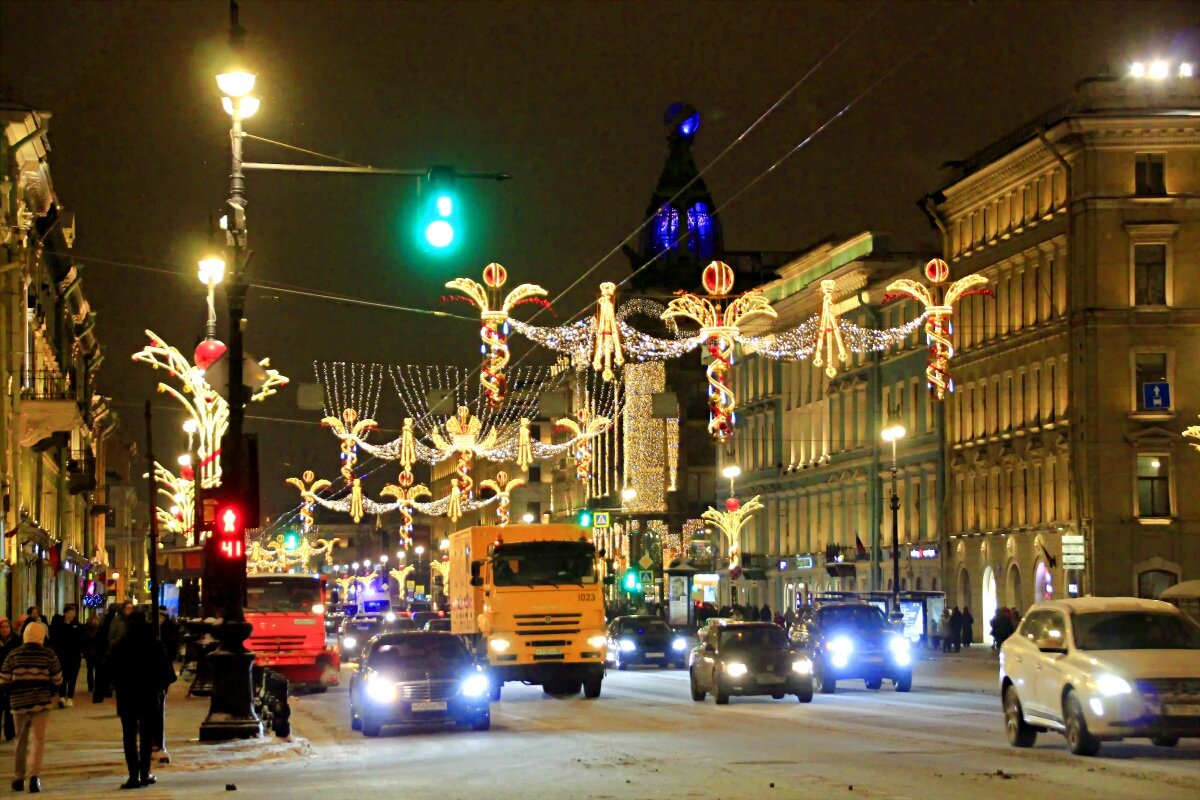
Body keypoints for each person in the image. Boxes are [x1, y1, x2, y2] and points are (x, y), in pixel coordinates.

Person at [108, 612, 174, 789]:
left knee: (129, 736)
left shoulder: (121, 645)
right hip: (148, 696)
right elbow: (166, 672)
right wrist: (160, 689)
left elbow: (110, 669)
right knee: (146, 735)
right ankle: (145, 773)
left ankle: (133, 775)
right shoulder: (153, 644)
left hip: (127, 696)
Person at [0, 622, 62, 793]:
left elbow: (4, 678)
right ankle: (34, 777)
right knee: (38, 740)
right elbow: (57, 678)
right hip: (41, 703)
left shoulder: (13, 654)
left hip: (19, 704)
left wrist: (12, 693)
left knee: (20, 740)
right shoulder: (48, 655)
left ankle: (18, 777)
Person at [49, 605, 83, 707]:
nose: (73, 614)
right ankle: (62, 696)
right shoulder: (58, 625)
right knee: (63, 676)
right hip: (62, 655)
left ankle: (70, 697)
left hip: (74, 656)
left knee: (72, 677)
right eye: (71, 612)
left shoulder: (77, 625)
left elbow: (81, 639)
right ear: (66, 613)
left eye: (74, 612)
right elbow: (54, 639)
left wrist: (81, 651)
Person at [0, 618, 19, 741]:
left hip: (12, 678)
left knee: (9, 707)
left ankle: (9, 732)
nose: (5, 629)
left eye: (7, 627)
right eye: (2, 627)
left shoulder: (16, 641)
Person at [83, 610, 102, 693]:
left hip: (89, 652)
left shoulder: (86, 628)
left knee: (89, 670)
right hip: (97, 651)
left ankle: (90, 686)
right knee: (97, 670)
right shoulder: (99, 628)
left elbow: (85, 640)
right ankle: (97, 685)